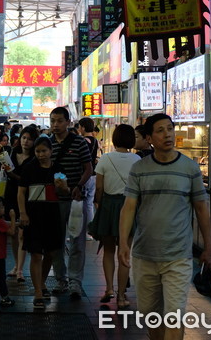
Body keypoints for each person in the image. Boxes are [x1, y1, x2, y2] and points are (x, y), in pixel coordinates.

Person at [118, 113, 211, 340]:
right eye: (160, 130)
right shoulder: (139, 169)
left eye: (169, 128)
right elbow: (129, 207)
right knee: (152, 316)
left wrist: (208, 246)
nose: (167, 134)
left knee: (174, 316)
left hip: (178, 255)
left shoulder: (189, 168)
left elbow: (201, 208)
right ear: (149, 138)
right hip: (145, 255)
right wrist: (123, 242)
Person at [18, 136, 69, 309]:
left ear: (51, 151)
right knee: (36, 253)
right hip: (34, 214)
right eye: (37, 151)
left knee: (49, 253)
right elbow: (21, 193)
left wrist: (62, 186)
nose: (40, 154)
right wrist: (23, 213)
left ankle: (42, 283)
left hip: (52, 214)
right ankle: (38, 292)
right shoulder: (29, 168)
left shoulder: (58, 169)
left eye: (44, 151)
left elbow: (65, 190)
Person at [93, 124, 140, 309]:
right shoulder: (137, 159)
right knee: (125, 252)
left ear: (114, 138)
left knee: (109, 250)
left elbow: (99, 188)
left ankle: (109, 289)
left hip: (108, 206)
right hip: (129, 206)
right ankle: (121, 296)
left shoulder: (105, 158)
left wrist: (98, 204)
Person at [49, 107, 93, 298]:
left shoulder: (79, 142)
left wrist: (79, 186)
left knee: (77, 242)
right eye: (52, 121)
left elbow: (88, 168)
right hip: (54, 201)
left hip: (76, 200)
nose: (55, 125)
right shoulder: (48, 144)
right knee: (55, 242)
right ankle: (61, 279)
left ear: (68, 122)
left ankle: (75, 281)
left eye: (59, 121)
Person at [2, 126, 39, 283]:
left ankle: (20, 270)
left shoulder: (35, 158)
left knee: (22, 233)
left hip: (26, 197)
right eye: (24, 138)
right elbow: (6, 173)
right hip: (10, 194)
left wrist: (12, 174)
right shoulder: (12, 153)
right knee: (13, 232)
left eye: (30, 139)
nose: (26, 141)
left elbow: (27, 181)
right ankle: (16, 266)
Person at [77, 117, 99, 227]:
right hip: (93, 175)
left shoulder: (83, 141)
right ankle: (89, 230)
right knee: (89, 204)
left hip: (85, 175)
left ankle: (83, 229)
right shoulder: (95, 140)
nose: (79, 129)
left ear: (83, 127)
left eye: (79, 127)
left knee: (82, 205)